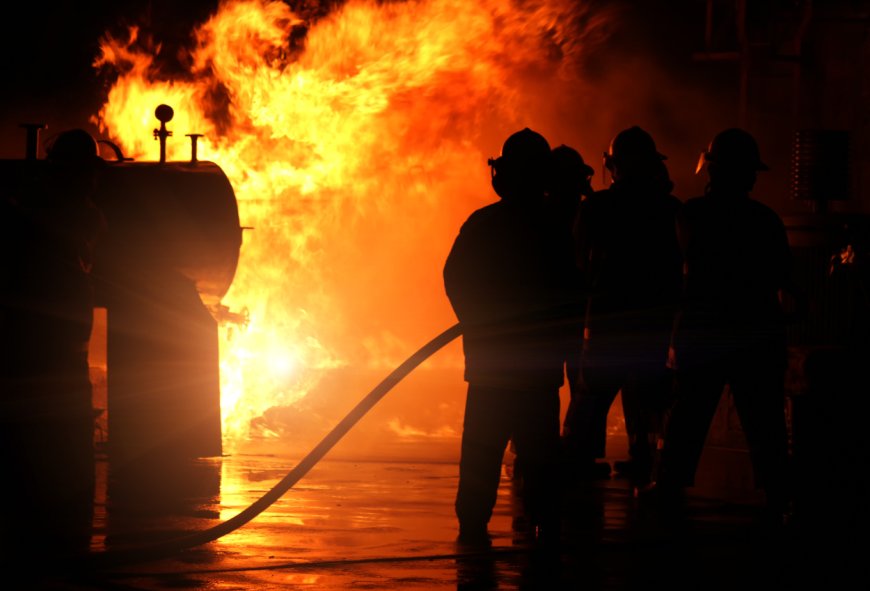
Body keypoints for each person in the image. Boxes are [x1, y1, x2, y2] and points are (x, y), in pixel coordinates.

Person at [651, 128, 793, 523]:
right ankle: (779, 493)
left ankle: (668, 486)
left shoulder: (690, 214)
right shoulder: (765, 219)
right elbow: (786, 276)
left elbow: (670, 276)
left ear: (711, 169)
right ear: (748, 174)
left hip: (703, 332)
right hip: (756, 335)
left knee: (688, 415)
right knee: (764, 420)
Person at [444, 128, 577, 546]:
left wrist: (477, 323)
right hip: (537, 372)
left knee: (482, 456)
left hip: (491, 368)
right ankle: (545, 531)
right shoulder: (555, 228)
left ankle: (471, 529)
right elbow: (572, 292)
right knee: (540, 459)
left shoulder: (483, 224)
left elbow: (454, 278)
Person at [0, 128, 105, 565]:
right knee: (50, 455)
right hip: (42, 355)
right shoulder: (44, 219)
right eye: (84, 174)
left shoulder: (61, 215)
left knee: (57, 453)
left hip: (58, 354)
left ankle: (51, 540)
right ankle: (49, 546)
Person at [561, 126, 683, 485]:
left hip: (605, 324)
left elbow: (577, 263)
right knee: (651, 398)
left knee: (591, 397)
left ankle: (577, 465)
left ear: (612, 164)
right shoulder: (671, 209)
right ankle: (648, 464)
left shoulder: (597, 208)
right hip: (654, 323)